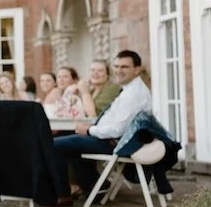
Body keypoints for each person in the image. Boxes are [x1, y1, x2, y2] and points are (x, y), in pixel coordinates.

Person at [53, 50, 153, 195]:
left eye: (124, 67)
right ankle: (94, 185)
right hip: (108, 138)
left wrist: (89, 130)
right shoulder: (129, 89)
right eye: (117, 66)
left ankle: (63, 194)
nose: (119, 70)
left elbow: (116, 130)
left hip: (115, 143)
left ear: (137, 69)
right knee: (67, 143)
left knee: (54, 145)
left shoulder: (133, 94)